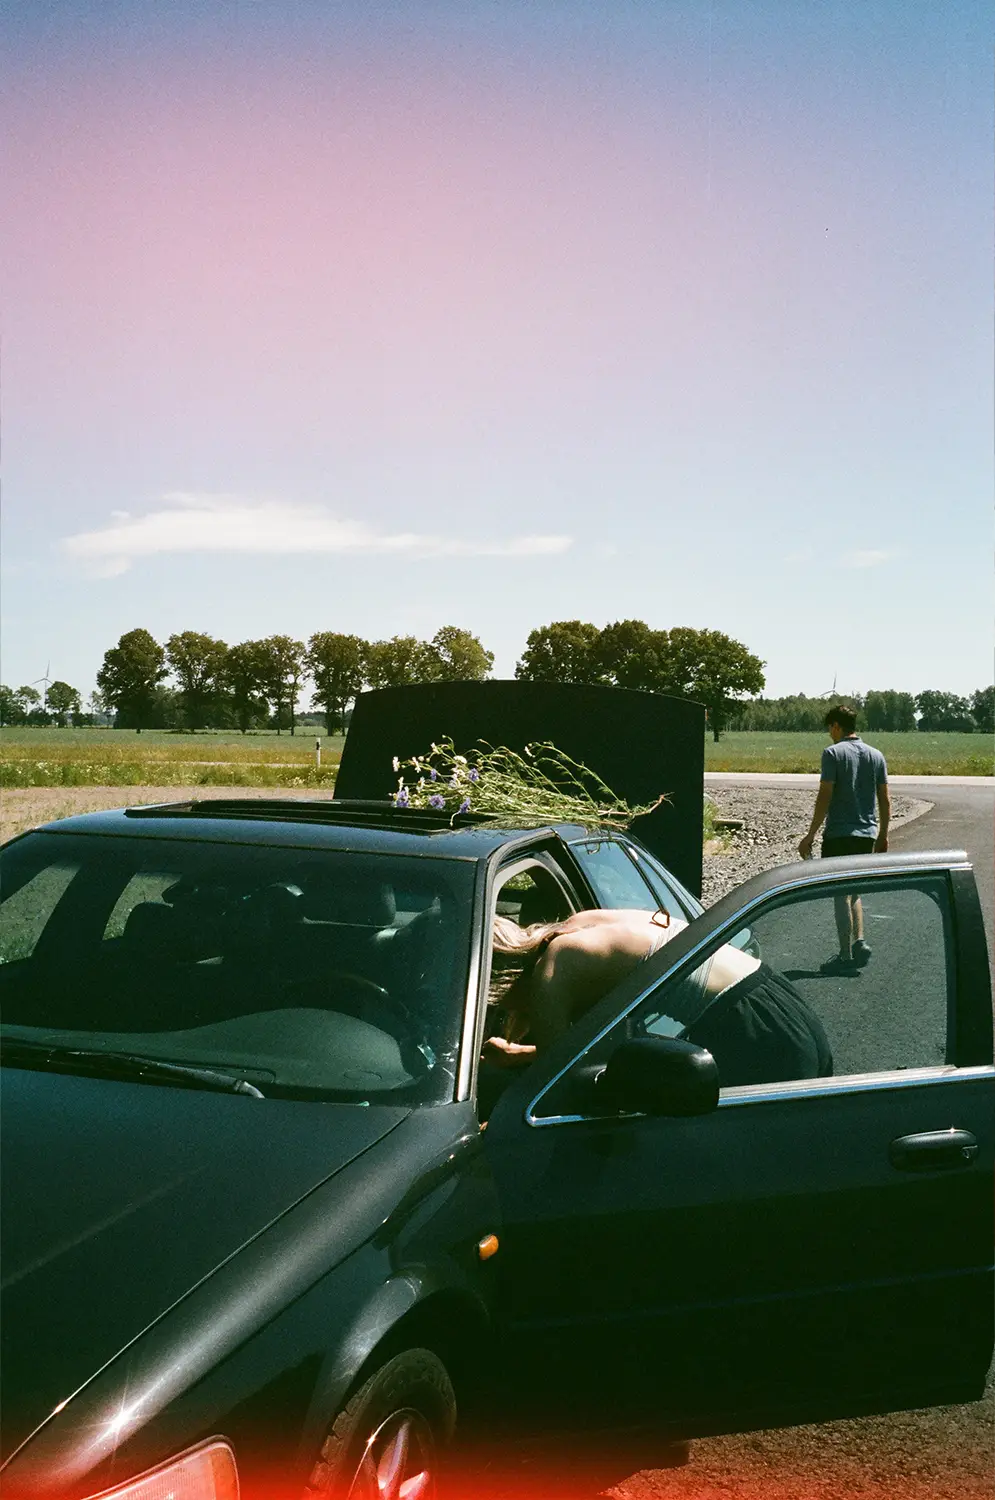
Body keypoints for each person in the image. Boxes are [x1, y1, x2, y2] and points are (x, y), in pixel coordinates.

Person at [483, 907, 832, 1087]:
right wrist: (520, 1054)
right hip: (774, 1000)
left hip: (748, 1030)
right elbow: (587, 1049)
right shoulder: (579, 925)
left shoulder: (554, 970)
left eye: (497, 1006)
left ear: (502, 981)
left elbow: (556, 1082)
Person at [797, 703, 890, 974]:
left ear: (836, 726)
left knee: (840, 893)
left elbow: (825, 795)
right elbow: (884, 799)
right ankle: (859, 941)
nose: (830, 734)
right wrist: (883, 834)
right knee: (855, 890)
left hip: (838, 834)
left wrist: (811, 834)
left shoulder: (832, 754)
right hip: (866, 834)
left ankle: (845, 956)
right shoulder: (876, 755)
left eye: (830, 728)